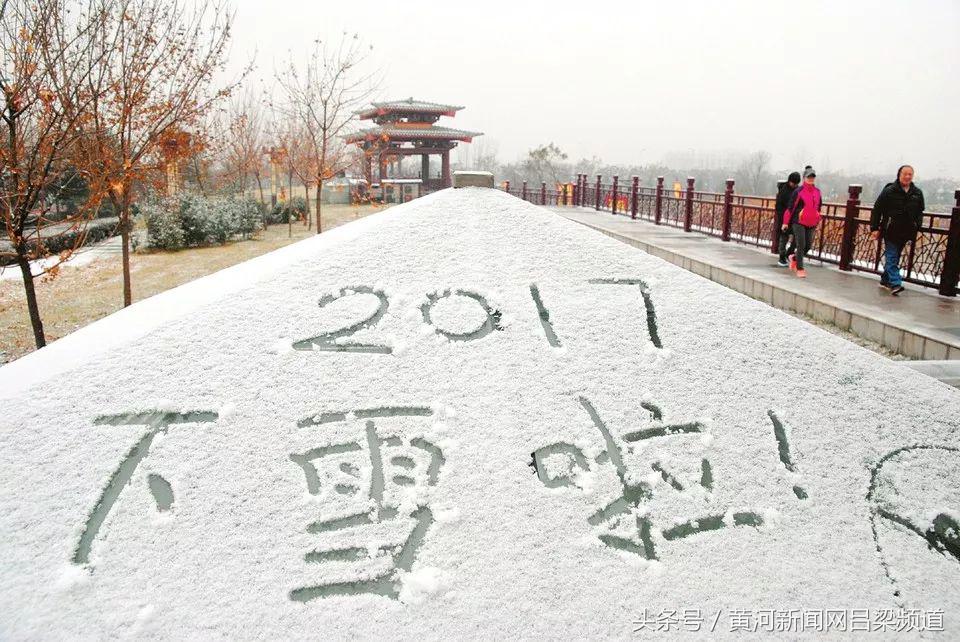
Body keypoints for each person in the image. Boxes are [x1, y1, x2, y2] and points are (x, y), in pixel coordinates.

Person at [870, 165, 925, 296]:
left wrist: (917, 224)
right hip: (890, 230)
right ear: (899, 175)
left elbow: (920, 211)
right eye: (905, 174)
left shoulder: (917, 193)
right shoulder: (889, 191)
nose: (907, 177)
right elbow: (877, 210)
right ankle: (895, 283)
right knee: (892, 256)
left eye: (910, 174)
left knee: (894, 258)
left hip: (906, 232)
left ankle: (885, 280)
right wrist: (874, 228)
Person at [781, 167, 823, 278]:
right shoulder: (798, 191)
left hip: (812, 222)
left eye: (813, 177)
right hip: (798, 221)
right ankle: (800, 268)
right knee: (801, 244)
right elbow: (790, 208)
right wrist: (785, 222)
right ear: (804, 178)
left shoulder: (817, 192)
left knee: (808, 245)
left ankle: (794, 258)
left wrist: (818, 217)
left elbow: (818, 207)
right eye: (809, 177)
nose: (811, 179)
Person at [775, 171, 802, 266]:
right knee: (784, 237)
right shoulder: (783, 191)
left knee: (798, 238)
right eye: (793, 183)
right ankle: (782, 257)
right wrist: (783, 219)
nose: (794, 185)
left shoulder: (799, 190)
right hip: (784, 218)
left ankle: (789, 253)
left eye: (796, 183)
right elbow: (778, 206)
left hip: (795, 218)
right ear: (789, 181)